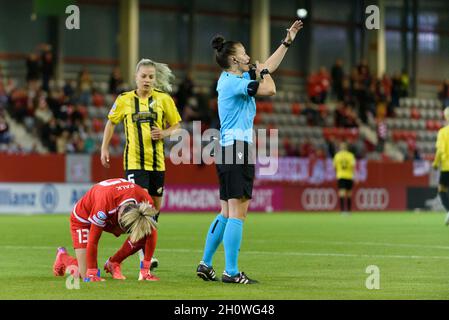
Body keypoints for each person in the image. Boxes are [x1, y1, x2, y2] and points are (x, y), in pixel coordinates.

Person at [196, 20, 303, 284]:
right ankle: (231, 272)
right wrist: (259, 71)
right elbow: (270, 87)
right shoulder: (234, 82)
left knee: (225, 211)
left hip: (225, 148)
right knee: (238, 213)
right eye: (243, 53)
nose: (248, 56)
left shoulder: (232, 78)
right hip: (238, 148)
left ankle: (205, 263)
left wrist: (286, 42)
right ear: (234, 59)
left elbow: (267, 67)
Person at [100, 58, 182, 269]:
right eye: (143, 76)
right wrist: (104, 147)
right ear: (136, 77)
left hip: (157, 164)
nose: (147, 80)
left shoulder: (164, 100)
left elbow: (177, 126)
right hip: (135, 162)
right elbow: (111, 122)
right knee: (142, 208)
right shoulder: (125, 99)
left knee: (154, 210)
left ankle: (142, 250)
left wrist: (164, 132)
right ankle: (143, 256)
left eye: (151, 77)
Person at [52, 178, 159, 282]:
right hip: (83, 218)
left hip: (110, 214)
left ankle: (114, 262)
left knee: (144, 230)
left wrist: (145, 270)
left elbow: (151, 233)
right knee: (84, 273)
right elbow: (93, 241)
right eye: (120, 228)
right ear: (119, 215)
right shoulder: (104, 203)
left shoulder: (145, 201)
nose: (118, 233)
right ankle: (62, 257)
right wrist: (92, 273)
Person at [432, 107, 449, 225]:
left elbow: (440, 150)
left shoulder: (443, 132)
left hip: (446, 167)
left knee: (442, 189)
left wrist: (435, 163)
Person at [333, 142, 356, 214]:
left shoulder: (337, 156)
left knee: (341, 193)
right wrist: (355, 176)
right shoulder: (351, 156)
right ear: (347, 148)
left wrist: (337, 173)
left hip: (341, 175)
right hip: (349, 176)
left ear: (340, 148)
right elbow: (353, 167)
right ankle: (349, 211)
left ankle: (342, 210)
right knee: (349, 194)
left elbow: (334, 167)